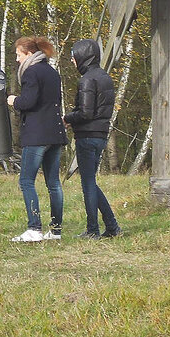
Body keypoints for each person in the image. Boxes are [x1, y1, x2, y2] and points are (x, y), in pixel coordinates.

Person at [7, 35, 67, 242]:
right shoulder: (52, 72)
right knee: (53, 183)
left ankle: (34, 228)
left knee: (26, 181)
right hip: (55, 133)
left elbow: (29, 101)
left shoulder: (31, 72)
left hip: (37, 134)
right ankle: (56, 230)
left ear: (29, 54)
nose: (17, 59)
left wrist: (15, 101)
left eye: (18, 55)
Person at [64, 38, 122, 239]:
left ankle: (92, 230)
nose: (72, 60)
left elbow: (86, 113)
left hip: (87, 136)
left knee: (88, 184)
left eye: (74, 56)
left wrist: (67, 118)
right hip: (100, 135)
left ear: (82, 56)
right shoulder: (105, 77)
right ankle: (112, 227)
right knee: (91, 182)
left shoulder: (87, 80)